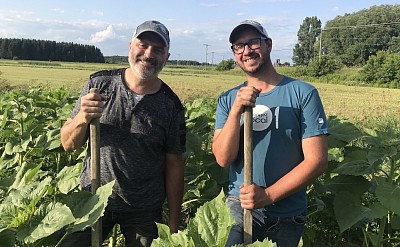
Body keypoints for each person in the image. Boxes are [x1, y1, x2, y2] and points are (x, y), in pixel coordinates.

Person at [60, 20, 186, 247]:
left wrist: (174, 227)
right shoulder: (98, 84)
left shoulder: (171, 106)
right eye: (143, 45)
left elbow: (175, 165)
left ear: (166, 57)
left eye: (158, 49)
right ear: (130, 46)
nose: (148, 54)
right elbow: (68, 144)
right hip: (94, 198)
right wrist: (82, 118)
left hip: (144, 209)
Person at [212, 20, 329, 247]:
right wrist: (237, 110)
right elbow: (223, 158)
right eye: (239, 46)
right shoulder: (228, 100)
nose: (246, 51)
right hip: (241, 206)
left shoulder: (303, 94)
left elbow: (317, 161)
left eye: (253, 43)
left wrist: (269, 195)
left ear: (268, 45)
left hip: (288, 213)